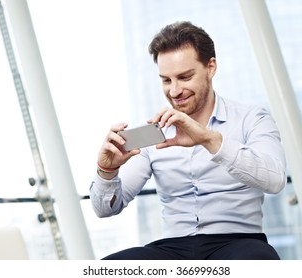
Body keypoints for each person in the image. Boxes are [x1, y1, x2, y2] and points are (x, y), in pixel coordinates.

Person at [89, 21, 287, 260]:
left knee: (259, 260)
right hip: (172, 249)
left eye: (184, 77)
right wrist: (107, 170)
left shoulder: (251, 119)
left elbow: (275, 180)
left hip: (238, 244)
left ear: (210, 67)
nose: (174, 91)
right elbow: (105, 209)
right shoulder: (155, 132)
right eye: (166, 80)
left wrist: (208, 139)